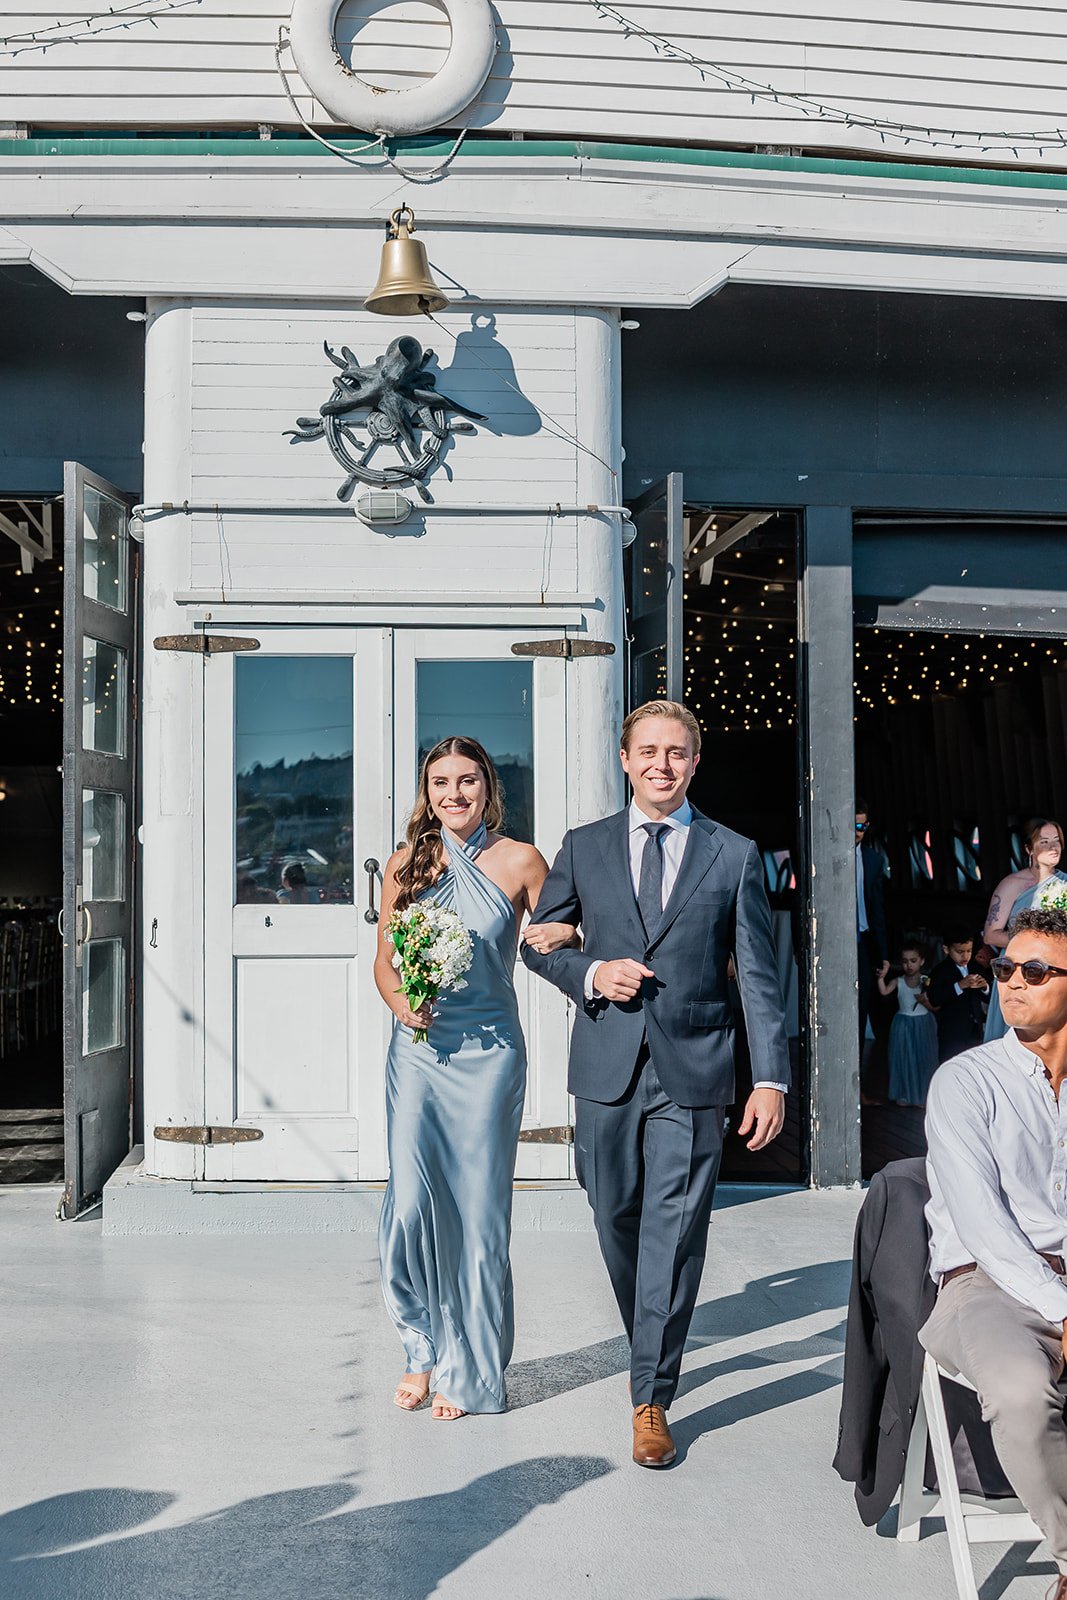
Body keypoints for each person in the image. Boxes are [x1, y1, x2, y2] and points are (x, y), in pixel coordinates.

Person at [521, 700, 789, 1469]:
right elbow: (538, 945)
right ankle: (651, 1336)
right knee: (614, 1216)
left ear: (694, 763)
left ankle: (650, 1396)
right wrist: (590, 972)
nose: (661, 765)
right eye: (648, 751)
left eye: (676, 752)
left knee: (674, 1229)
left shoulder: (733, 854)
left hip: (695, 1069)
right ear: (625, 759)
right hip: (605, 1065)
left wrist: (769, 1078)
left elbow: (758, 976)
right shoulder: (584, 845)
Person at [374, 736, 574, 1421]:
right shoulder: (406, 862)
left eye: (466, 781)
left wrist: (569, 936)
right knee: (409, 1205)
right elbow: (384, 964)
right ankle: (421, 1346)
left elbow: (559, 938)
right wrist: (403, 1006)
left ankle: (471, 1370)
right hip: (418, 1052)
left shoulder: (521, 860)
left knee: (478, 1213)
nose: (454, 794)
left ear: (487, 787)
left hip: (490, 1056)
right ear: (426, 793)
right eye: (440, 782)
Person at [920, 905, 1067, 1600]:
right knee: (1018, 1392)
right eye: (1004, 967)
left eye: (1034, 971)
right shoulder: (965, 1081)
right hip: (985, 1285)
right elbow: (982, 1225)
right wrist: (1059, 1306)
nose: (1010, 981)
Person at [982, 818, 1066, 1041]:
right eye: (1044, 842)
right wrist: (1035, 943)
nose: (1053, 847)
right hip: (1019, 970)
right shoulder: (1013, 884)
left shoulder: (1065, 883)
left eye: (1056, 840)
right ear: (1029, 849)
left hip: (1057, 971)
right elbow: (991, 935)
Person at [876, 940, 938, 1106]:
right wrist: (881, 977)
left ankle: (922, 1095)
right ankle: (905, 1093)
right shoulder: (899, 981)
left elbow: (935, 1001)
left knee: (923, 1058)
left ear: (922, 961)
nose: (909, 965)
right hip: (903, 1023)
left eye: (913, 961)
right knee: (904, 1058)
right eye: (905, 961)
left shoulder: (926, 980)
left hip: (923, 1023)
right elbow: (884, 991)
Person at [855, 800, 889, 1051]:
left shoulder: (874, 860)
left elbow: (878, 910)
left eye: (860, 826)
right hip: (831, 941)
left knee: (861, 1005)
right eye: (851, 825)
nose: (856, 832)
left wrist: (883, 954)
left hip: (864, 942)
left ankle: (856, 1070)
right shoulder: (821, 856)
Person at [928, 928, 989, 1063]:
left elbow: (988, 998)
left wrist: (985, 987)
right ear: (946, 949)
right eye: (960, 952)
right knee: (951, 1066)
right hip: (952, 1034)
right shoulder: (940, 971)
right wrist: (959, 986)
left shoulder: (976, 967)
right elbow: (934, 999)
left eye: (969, 951)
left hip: (975, 1031)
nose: (965, 956)